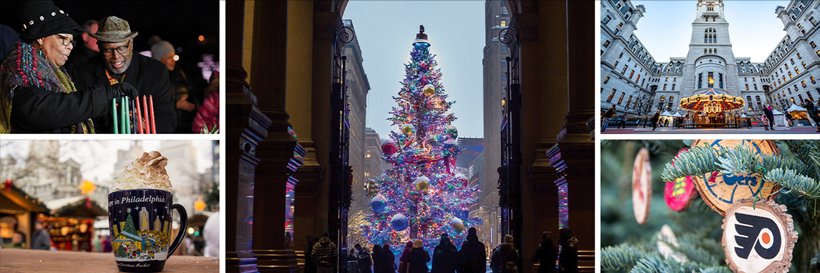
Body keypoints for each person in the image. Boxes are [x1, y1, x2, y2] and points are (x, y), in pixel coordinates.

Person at [0, 0, 135, 133]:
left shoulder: (56, 71)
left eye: (71, 41)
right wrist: (105, 96)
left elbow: (69, 113)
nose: (70, 46)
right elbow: (37, 110)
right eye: (63, 39)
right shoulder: (21, 66)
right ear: (40, 37)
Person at [70, 16, 176, 133]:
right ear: (100, 47)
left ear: (131, 43)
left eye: (122, 48)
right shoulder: (81, 72)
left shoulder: (155, 71)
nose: (116, 57)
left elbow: (167, 118)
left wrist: (144, 126)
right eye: (108, 50)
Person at [151, 40, 197, 133]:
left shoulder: (179, 73)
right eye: (169, 57)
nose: (173, 61)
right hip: (168, 127)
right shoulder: (153, 80)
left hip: (186, 125)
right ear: (159, 59)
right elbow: (151, 106)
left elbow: (191, 90)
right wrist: (176, 104)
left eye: (174, 57)